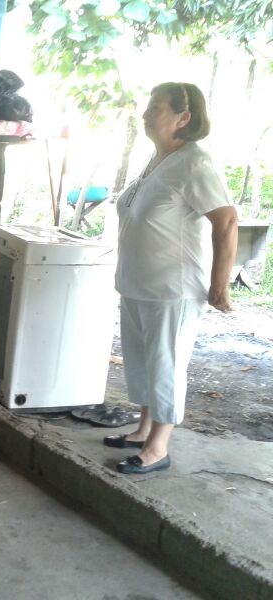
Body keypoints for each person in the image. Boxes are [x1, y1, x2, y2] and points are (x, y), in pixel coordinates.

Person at [105, 82, 238, 474]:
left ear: (184, 118)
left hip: (172, 289)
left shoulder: (195, 163)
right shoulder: (158, 158)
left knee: (166, 365)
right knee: (142, 362)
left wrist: (219, 284)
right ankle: (143, 429)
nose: (147, 113)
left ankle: (158, 448)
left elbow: (226, 221)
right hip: (137, 284)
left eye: (156, 108)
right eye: (149, 106)